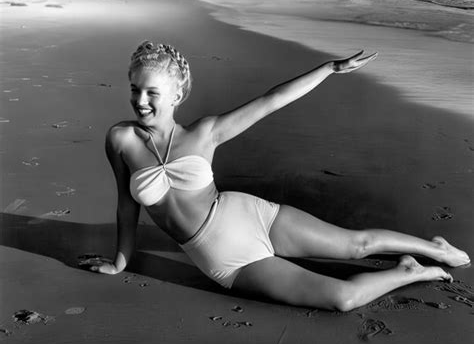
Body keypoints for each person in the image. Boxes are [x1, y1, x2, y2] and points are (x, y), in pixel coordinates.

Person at [86, 41, 470, 311]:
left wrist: (329, 68)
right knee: (343, 299)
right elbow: (126, 206)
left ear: (176, 96)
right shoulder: (120, 139)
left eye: (152, 92)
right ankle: (408, 271)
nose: (140, 101)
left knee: (358, 245)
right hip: (226, 260)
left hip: (250, 215)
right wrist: (121, 261)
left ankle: (434, 247)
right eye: (135, 89)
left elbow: (270, 101)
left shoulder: (205, 133)